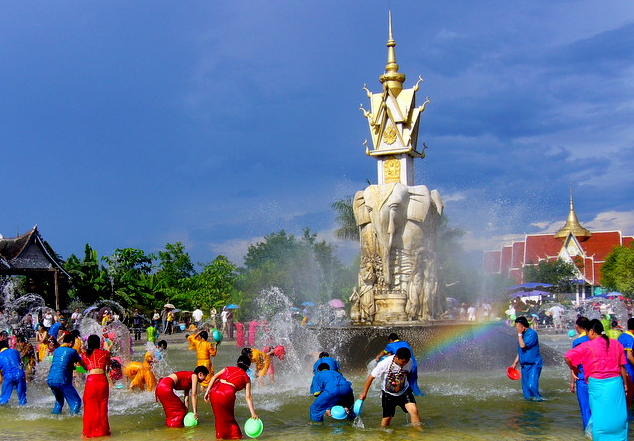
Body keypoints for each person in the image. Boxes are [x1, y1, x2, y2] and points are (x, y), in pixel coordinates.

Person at [565, 319, 628, 441]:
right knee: (618, 416)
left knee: (600, 417)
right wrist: (625, 384)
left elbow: (567, 356)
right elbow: (621, 366)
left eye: (588, 332)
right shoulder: (616, 344)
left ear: (592, 332)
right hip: (616, 383)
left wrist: (573, 369)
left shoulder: (587, 345)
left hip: (597, 384)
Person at [359, 347, 421, 428]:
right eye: (403, 362)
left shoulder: (409, 362)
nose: (404, 364)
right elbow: (371, 377)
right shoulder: (384, 364)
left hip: (404, 391)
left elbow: (407, 375)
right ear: (397, 357)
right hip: (388, 394)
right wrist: (364, 393)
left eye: (406, 362)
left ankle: (418, 433)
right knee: (387, 418)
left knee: (414, 410)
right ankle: (384, 435)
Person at [204, 355, 258, 439]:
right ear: (248, 367)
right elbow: (248, 397)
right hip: (227, 393)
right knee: (229, 418)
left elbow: (214, 377)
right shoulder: (246, 378)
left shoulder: (227, 368)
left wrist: (207, 392)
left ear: (237, 363)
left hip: (215, 391)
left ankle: (221, 436)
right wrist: (253, 413)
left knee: (219, 418)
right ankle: (235, 436)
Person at [47, 333, 87, 414]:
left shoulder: (56, 350)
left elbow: (61, 364)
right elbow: (82, 364)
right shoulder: (72, 351)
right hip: (61, 380)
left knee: (59, 401)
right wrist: (88, 368)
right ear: (71, 342)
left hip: (50, 379)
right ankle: (73, 421)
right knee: (76, 401)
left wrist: (73, 367)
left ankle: (54, 418)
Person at [82, 334, 111, 437]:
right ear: (99, 343)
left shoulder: (85, 354)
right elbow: (108, 367)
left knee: (89, 408)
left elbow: (84, 367)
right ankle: (103, 432)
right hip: (102, 380)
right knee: (103, 407)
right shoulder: (105, 353)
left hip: (91, 381)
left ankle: (89, 432)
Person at [511, 316, 543, 401]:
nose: (516, 328)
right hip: (524, 366)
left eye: (517, 326)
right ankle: (529, 409)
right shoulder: (521, 336)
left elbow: (523, 345)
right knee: (526, 393)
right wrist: (515, 363)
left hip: (534, 364)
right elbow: (520, 350)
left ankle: (540, 401)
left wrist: (519, 334)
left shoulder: (531, 334)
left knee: (531, 385)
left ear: (521, 326)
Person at [569, 317, 591, 432]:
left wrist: (572, 381)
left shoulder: (578, 342)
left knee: (585, 407)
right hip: (596, 377)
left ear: (577, 327)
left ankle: (587, 432)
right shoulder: (595, 339)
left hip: (582, 377)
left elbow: (574, 363)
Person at [0, 340, 27, 405]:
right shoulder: (15, 352)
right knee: (22, 398)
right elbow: (20, 363)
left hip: (8, 376)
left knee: (3, 400)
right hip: (20, 374)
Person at [617, 317, 634, 407]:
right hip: (629, 369)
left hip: (621, 369)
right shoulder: (630, 339)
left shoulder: (622, 336)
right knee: (630, 394)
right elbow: (629, 356)